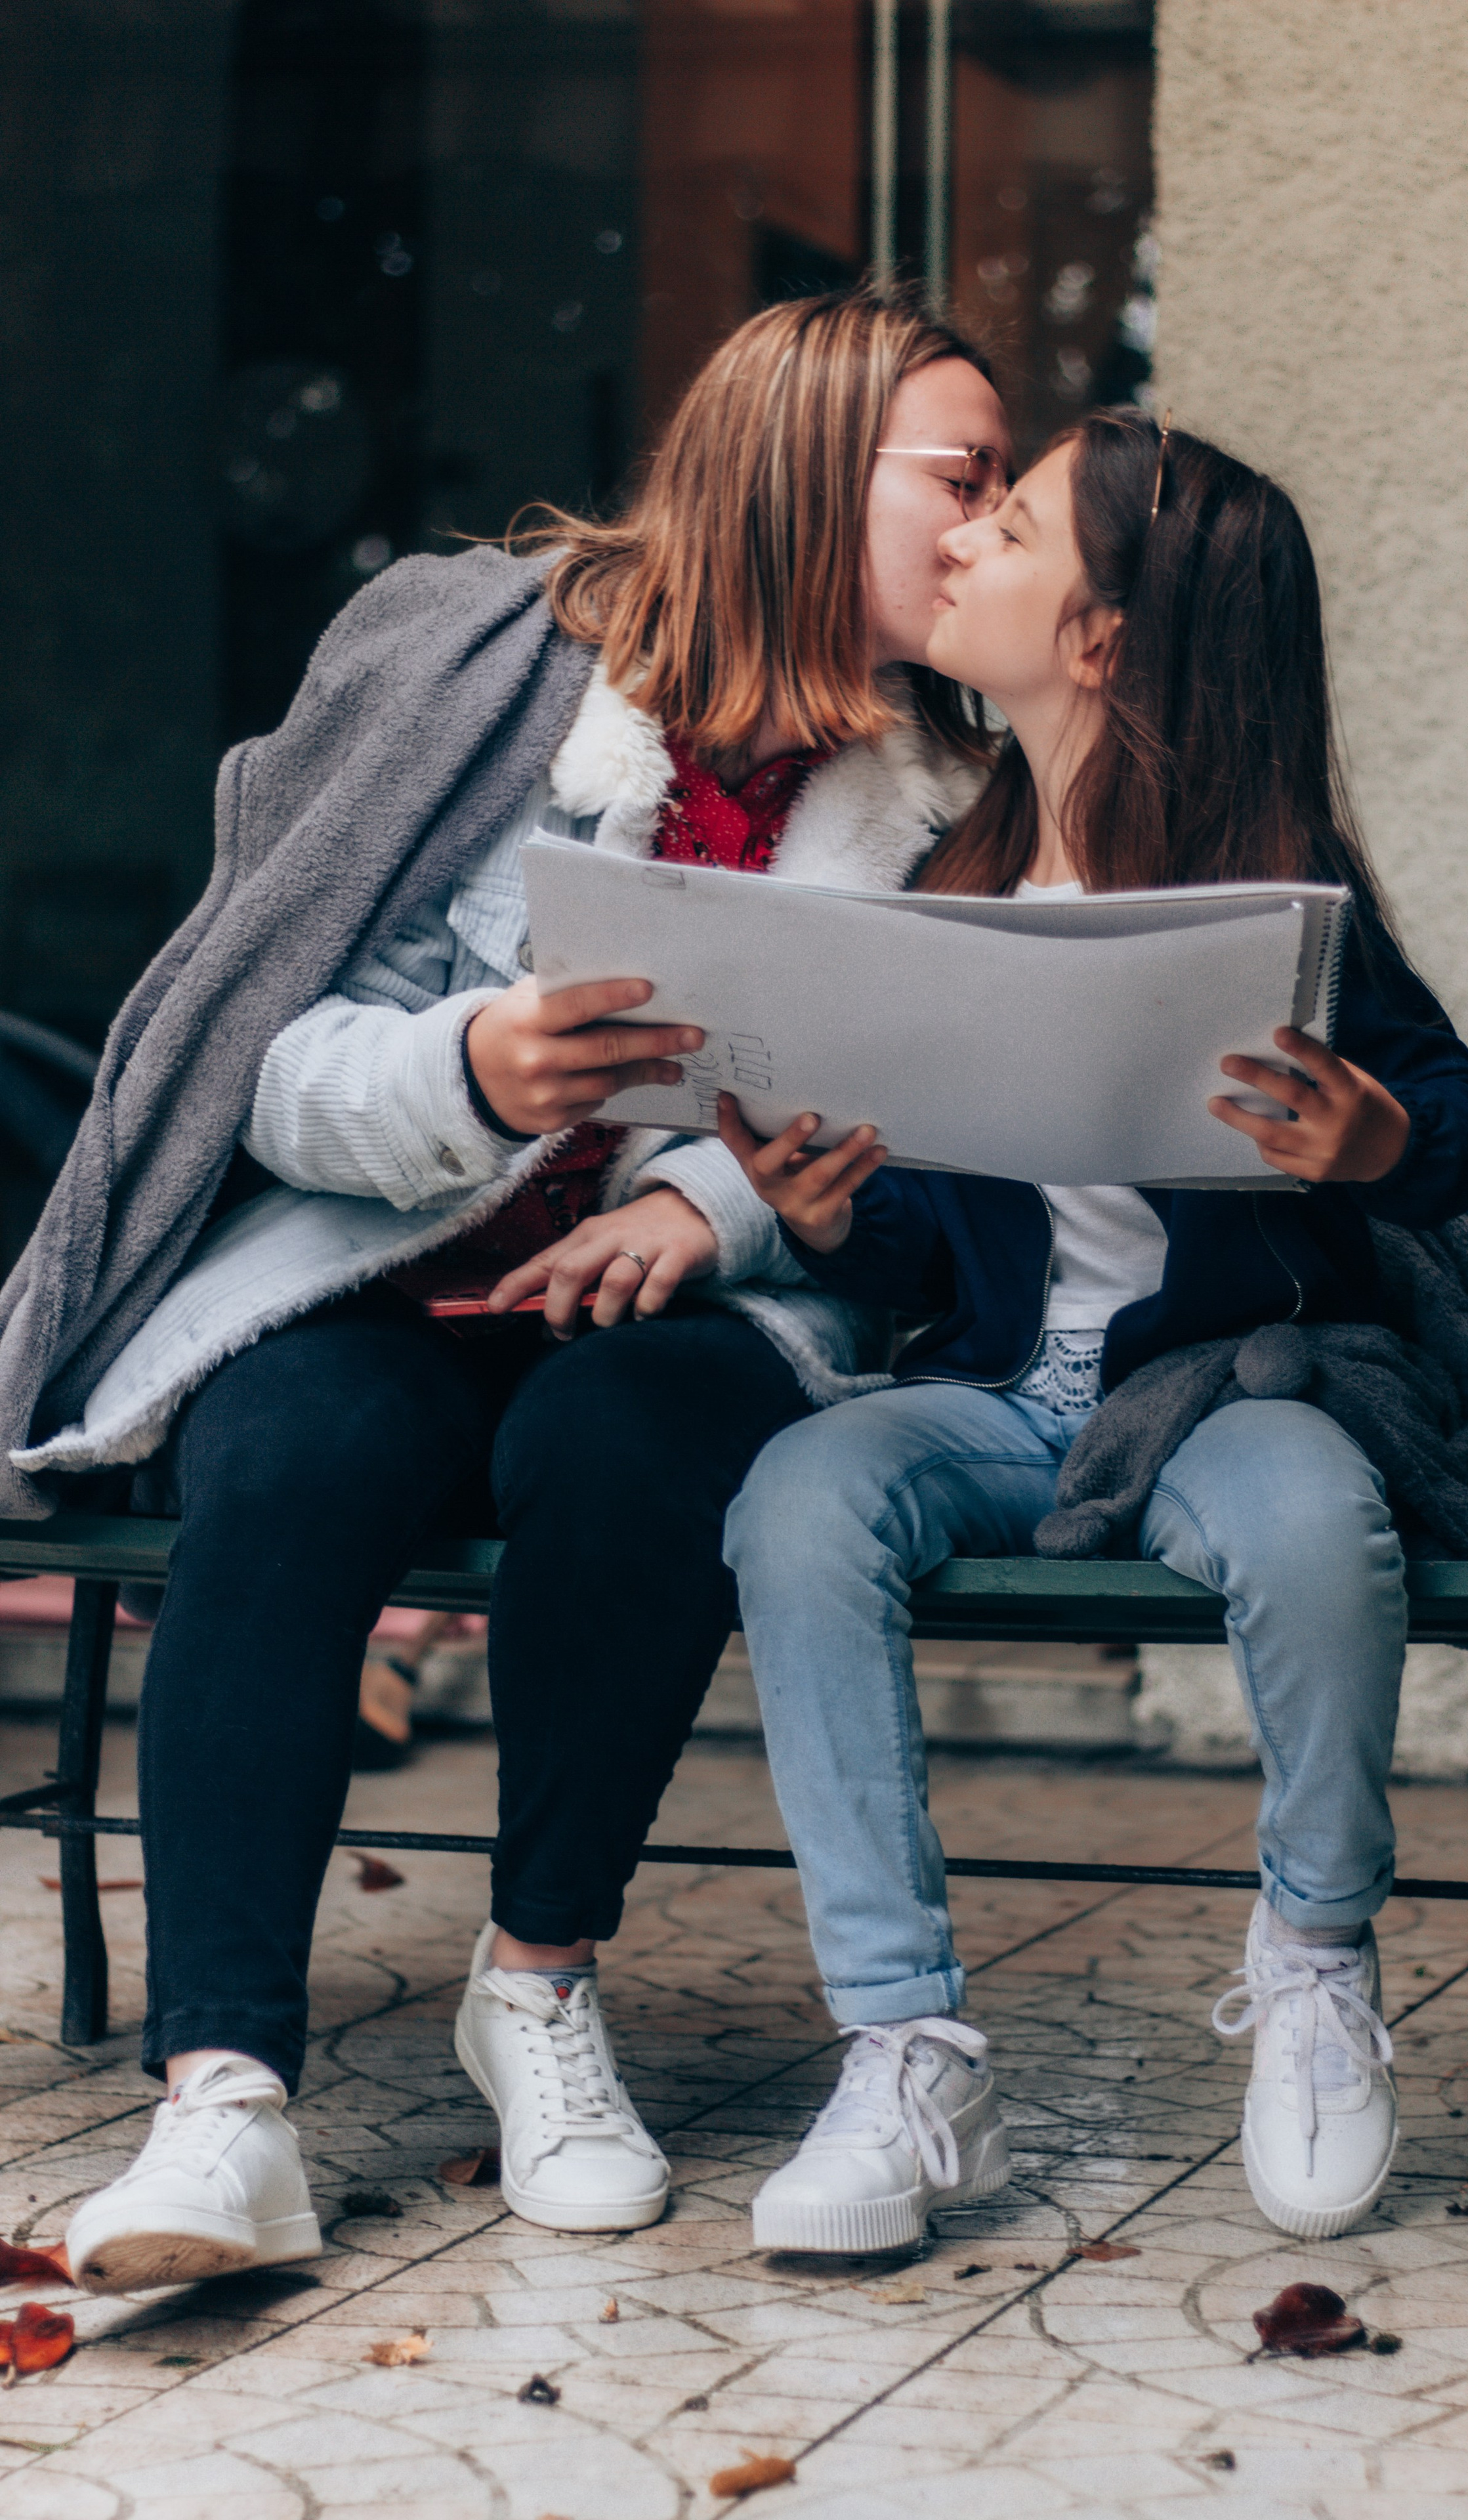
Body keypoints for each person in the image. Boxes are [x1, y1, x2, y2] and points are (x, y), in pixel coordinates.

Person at [20, 286, 1013, 2293]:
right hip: (373, 1272)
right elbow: (260, 1047)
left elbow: (941, 1168)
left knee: (641, 1437)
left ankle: (537, 1990)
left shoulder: (965, 791)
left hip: (673, 1315)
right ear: (816, 470)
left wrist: (754, 1202)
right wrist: (470, 1071)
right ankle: (222, 2107)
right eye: (964, 479)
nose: (993, 528)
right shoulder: (473, 671)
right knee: (289, 1450)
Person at [715, 407, 1468, 2253]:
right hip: (1006, 1399)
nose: (969, 539)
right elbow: (946, 1222)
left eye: (1016, 523)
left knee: (1318, 1528)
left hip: (1218, 1395)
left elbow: (1448, 1114)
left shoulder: (1266, 867)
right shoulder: (960, 873)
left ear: (1101, 637)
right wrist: (841, 1210)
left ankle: (1314, 1955)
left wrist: (1372, 1138)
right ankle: (908, 2047)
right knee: (798, 1502)